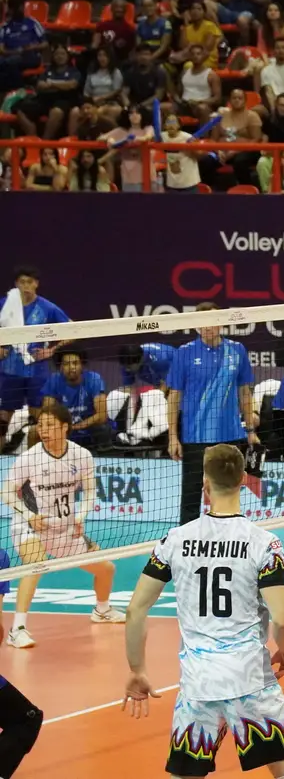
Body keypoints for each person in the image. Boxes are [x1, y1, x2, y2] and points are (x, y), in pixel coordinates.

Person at [122, 445, 284, 779]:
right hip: (249, 679)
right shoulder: (264, 544)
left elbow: (135, 610)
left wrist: (137, 669)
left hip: (199, 683)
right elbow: (283, 620)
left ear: (204, 484)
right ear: (243, 480)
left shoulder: (174, 540)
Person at [1, 402, 124, 650]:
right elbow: (6, 492)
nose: (44, 430)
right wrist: (28, 515)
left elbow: (89, 491)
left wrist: (81, 517)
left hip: (65, 528)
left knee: (106, 569)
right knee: (35, 565)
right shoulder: (30, 458)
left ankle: (102, 610)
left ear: (65, 427)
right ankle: (17, 629)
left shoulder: (82, 455)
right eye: (41, 425)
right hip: (31, 525)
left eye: (50, 425)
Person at [167, 302, 259, 524]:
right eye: (203, 322)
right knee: (190, 496)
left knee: (230, 492)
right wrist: (172, 437)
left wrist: (251, 430)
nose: (208, 327)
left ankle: (228, 533)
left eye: (213, 321)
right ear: (196, 325)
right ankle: (186, 537)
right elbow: (174, 397)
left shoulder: (237, 350)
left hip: (230, 435)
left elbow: (244, 393)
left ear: (222, 322)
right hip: (195, 437)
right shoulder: (184, 353)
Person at [0, 266, 69, 446]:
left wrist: (52, 350)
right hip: (9, 372)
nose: (26, 286)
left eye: (29, 282)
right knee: (1, 424)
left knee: (39, 424)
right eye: (22, 282)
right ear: (16, 284)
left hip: (37, 373)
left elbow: (73, 330)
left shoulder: (48, 308)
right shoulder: (5, 305)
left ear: (36, 284)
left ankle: (36, 460)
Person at [39, 348, 112, 451]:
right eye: (66, 364)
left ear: (81, 365)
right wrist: (64, 427)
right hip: (64, 428)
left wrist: (77, 427)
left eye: (75, 363)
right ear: (61, 367)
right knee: (38, 431)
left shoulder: (94, 379)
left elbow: (102, 416)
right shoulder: (53, 381)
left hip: (89, 427)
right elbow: (47, 412)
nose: (71, 367)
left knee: (103, 429)